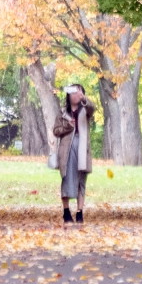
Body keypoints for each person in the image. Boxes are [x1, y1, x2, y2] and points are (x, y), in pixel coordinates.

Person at [54, 83, 94, 224]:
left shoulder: (85, 110)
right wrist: (68, 125)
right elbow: (56, 131)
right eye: (73, 92)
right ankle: (66, 212)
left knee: (81, 180)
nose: (76, 95)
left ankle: (79, 212)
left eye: (79, 92)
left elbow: (92, 108)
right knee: (66, 178)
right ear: (68, 95)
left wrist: (84, 98)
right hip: (67, 150)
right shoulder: (63, 111)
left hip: (82, 149)